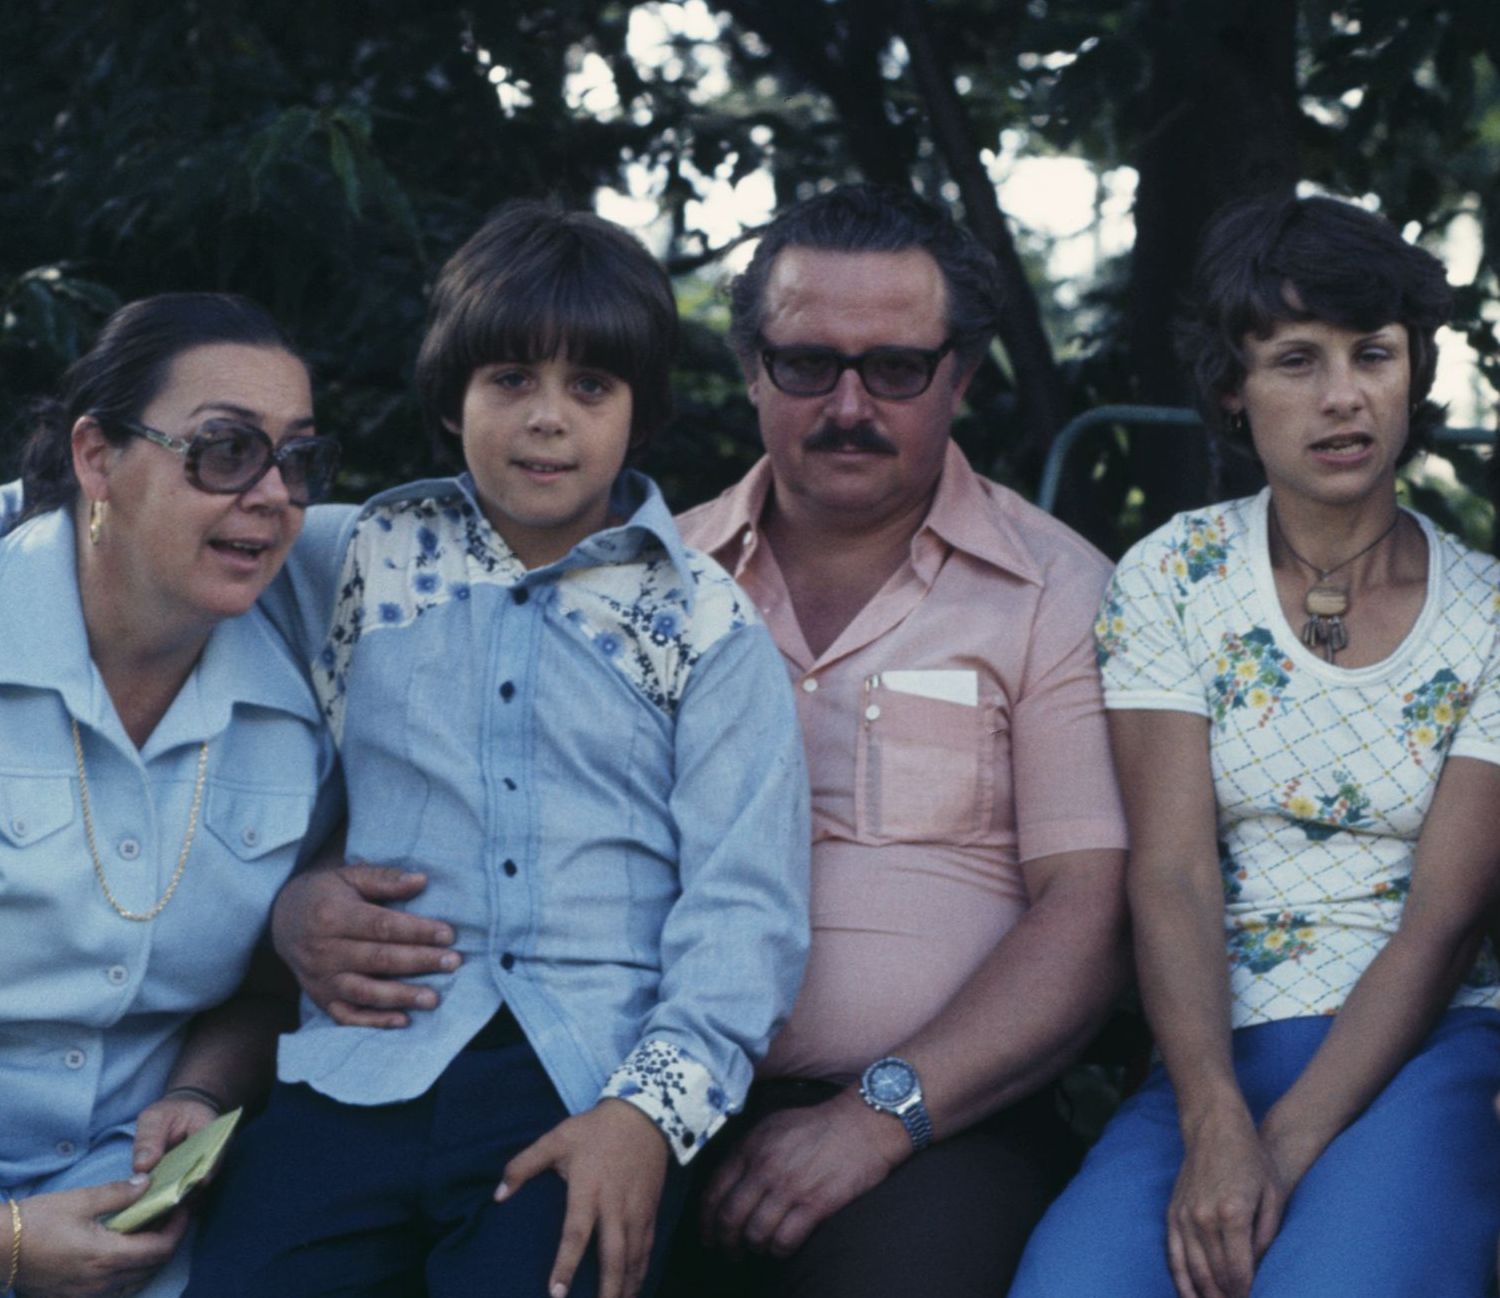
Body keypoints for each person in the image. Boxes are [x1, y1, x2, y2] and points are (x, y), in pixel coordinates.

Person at [274, 183, 1130, 1298]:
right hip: (605, 1076)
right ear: (751, 370)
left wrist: (878, 1117)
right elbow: (432, 791)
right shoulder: (630, 582)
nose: (849, 404)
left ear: (960, 376)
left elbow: (1088, 914)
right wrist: (298, 905)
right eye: (807, 364)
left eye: (896, 369)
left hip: (925, 1119)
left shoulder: (1054, 591)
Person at [182, 202, 811, 1298]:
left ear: (641, 413)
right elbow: (158, 541)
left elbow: (746, 911)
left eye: (591, 387)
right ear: (452, 394)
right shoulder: (357, 558)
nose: (547, 420)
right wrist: (288, 905)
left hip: (586, 1084)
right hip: (366, 1056)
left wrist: (646, 1118)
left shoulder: (705, 624)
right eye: (510, 378)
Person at [1010, 192, 1500, 1298]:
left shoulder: (1489, 613)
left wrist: (1280, 1152)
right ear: (1234, 388)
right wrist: (1215, 1120)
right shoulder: (1173, 576)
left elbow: (1446, 918)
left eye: (1372, 353)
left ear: (1414, 371)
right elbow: (1172, 872)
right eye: (1295, 360)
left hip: (1425, 1045)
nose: (1342, 395)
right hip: (1211, 1048)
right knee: (1074, 1285)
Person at [0, 293, 341, 1298]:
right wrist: (9, 1242)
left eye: (297, 459)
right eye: (225, 450)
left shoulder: (297, 710)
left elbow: (262, 988)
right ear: (96, 458)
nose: (272, 494)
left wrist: (201, 1087)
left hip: (148, 1230)